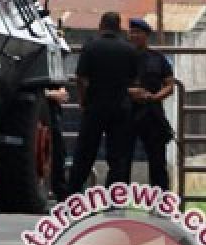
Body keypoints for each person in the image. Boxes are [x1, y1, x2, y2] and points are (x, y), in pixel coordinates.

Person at [66, 12, 139, 193]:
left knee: (85, 151)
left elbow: (81, 78)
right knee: (118, 156)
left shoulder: (91, 47)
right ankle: (113, 197)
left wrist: (83, 99)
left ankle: (73, 194)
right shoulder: (129, 50)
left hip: (95, 104)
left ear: (101, 25)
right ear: (118, 26)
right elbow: (133, 79)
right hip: (120, 106)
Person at [127, 18, 175, 190]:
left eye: (138, 33)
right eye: (131, 32)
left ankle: (161, 200)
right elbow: (112, 83)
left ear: (146, 36)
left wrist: (154, 97)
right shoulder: (122, 57)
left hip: (152, 113)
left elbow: (170, 85)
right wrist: (131, 92)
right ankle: (116, 202)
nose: (134, 36)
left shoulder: (158, 58)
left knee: (157, 161)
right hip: (127, 112)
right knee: (122, 161)